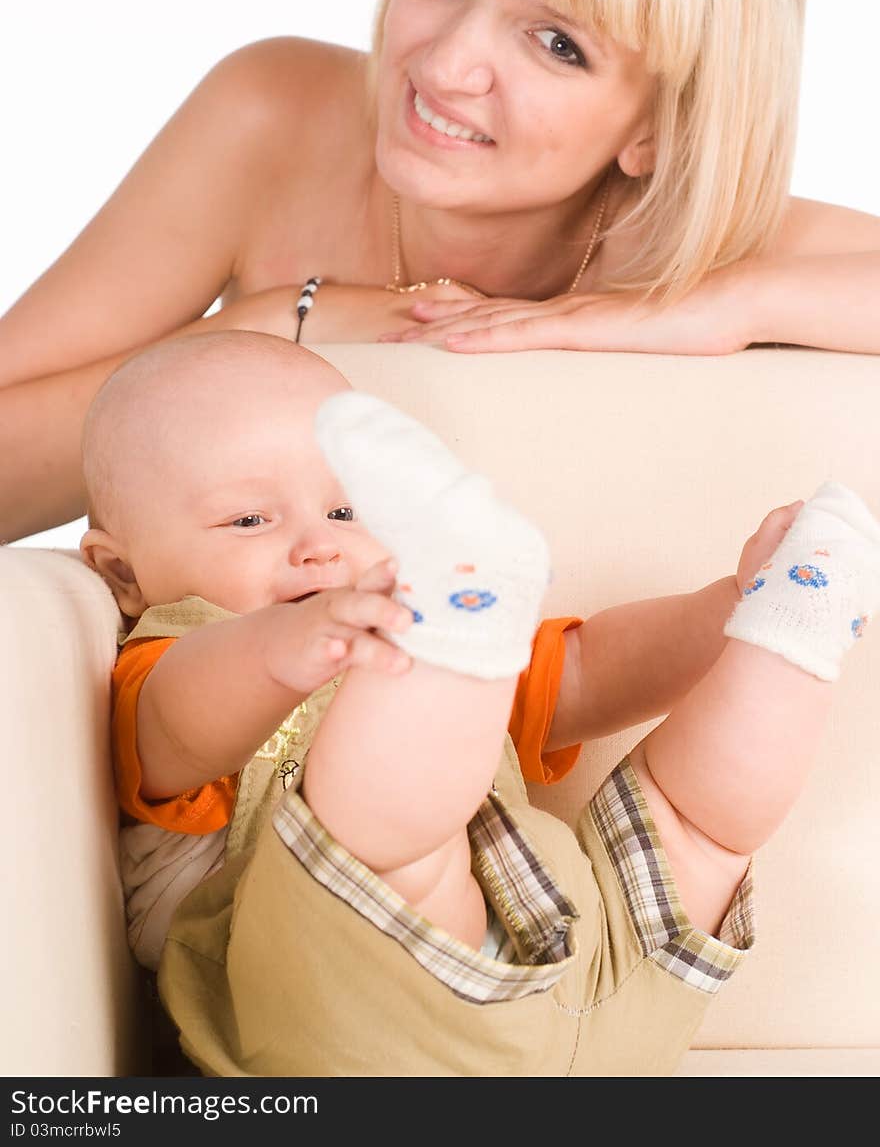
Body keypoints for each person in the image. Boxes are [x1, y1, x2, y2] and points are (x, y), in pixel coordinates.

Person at [2, 0, 878, 547]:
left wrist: (723, 306)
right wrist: (287, 327)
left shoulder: (701, 240)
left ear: (656, 132)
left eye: (556, 43)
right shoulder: (271, 115)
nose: (445, 63)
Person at [79, 330, 880, 1076]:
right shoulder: (175, 658)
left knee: (692, 823)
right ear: (121, 574)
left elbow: (592, 669)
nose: (318, 544)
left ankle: (787, 618)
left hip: (601, 977)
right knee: (402, 848)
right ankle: (788, 628)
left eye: (348, 509)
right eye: (249, 518)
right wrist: (287, 645)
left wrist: (726, 604)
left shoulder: (435, 632)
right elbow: (185, 718)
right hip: (370, 1020)